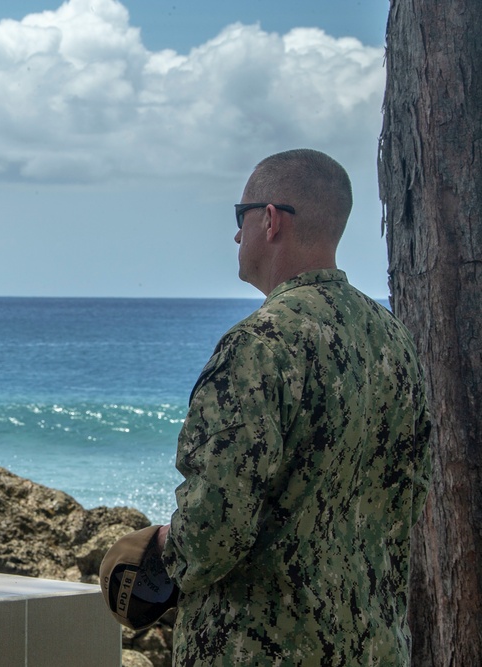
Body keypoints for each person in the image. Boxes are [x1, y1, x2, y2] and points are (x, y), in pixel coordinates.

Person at [158, 149, 432, 665]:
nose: (237, 236)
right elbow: (409, 497)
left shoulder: (260, 344)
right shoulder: (394, 341)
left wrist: (159, 550)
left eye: (240, 218)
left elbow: (215, 529)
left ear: (270, 219)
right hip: (375, 649)